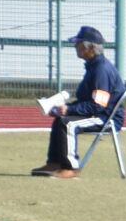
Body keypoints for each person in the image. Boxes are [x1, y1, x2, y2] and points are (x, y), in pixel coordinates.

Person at [35, 25, 120, 178]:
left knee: (67, 123)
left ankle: (71, 168)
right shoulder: (94, 66)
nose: (75, 46)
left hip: (105, 117)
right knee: (60, 119)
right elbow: (87, 101)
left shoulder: (101, 70)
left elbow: (98, 105)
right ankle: (55, 162)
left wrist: (69, 110)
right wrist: (65, 108)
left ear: (90, 47)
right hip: (99, 112)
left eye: (78, 43)